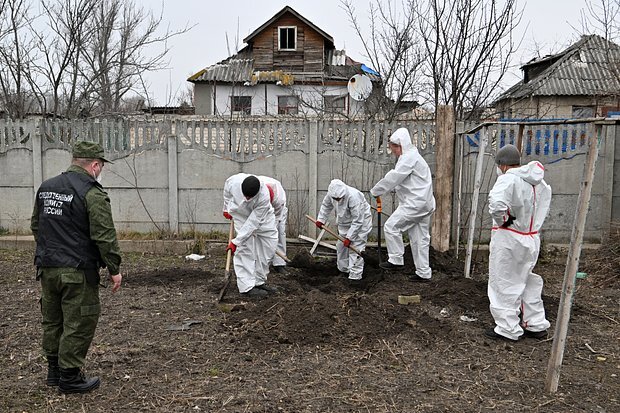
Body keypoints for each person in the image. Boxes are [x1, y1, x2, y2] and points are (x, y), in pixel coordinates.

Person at [30, 141, 122, 394]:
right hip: (78, 270)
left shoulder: (47, 188)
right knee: (79, 321)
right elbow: (104, 235)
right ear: (94, 165)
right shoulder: (92, 193)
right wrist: (114, 268)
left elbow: (36, 226)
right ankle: (70, 377)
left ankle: (54, 371)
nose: (100, 171)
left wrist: (53, 250)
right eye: (100, 166)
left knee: (52, 319)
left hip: (47, 267)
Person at [484, 144, 552, 342]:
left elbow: (497, 205)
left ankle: (507, 328)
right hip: (531, 237)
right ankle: (536, 323)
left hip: (510, 237)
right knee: (527, 280)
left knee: (503, 282)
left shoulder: (507, 180)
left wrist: (506, 221)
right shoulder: (541, 184)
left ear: (502, 165)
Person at [370, 128, 435, 282]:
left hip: (415, 204)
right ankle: (423, 273)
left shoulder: (408, 158)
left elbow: (394, 177)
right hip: (423, 203)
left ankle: (396, 260)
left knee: (392, 227)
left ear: (400, 145)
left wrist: (376, 191)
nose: (392, 151)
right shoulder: (412, 156)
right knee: (420, 240)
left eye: (393, 148)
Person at [223, 173, 278, 297]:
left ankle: (259, 281)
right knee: (245, 249)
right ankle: (246, 286)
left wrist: (235, 241)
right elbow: (226, 193)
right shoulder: (233, 182)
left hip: (262, 217)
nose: (247, 199)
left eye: (250, 197)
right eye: (245, 196)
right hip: (240, 215)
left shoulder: (264, 196)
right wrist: (226, 208)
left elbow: (253, 222)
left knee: (269, 246)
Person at [315, 179, 372, 282]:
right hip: (345, 223)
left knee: (355, 249)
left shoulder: (353, 196)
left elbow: (358, 220)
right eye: (335, 199)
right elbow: (326, 206)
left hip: (361, 224)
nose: (337, 200)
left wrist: (350, 237)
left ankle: (355, 277)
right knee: (341, 246)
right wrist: (321, 219)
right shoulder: (331, 194)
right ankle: (344, 271)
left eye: (339, 198)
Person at [258, 175, 288, 273]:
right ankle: (260, 262)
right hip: (258, 207)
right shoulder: (255, 189)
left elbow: (275, 221)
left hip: (277, 213)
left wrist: (267, 235)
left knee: (279, 231)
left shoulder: (279, 199)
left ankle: (279, 262)